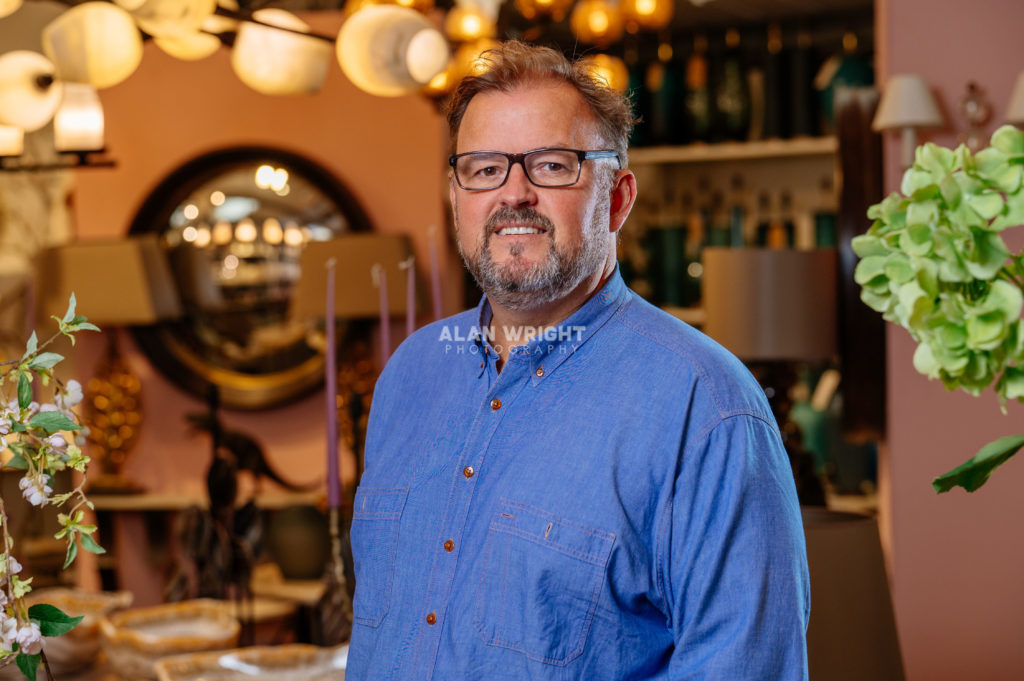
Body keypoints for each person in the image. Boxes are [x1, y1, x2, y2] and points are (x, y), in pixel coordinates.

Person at [346, 41, 810, 680]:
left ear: (617, 199)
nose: (514, 194)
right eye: (484, 168)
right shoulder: (409, 374)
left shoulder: (707, 408)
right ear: (456, 196)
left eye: (552, 166)